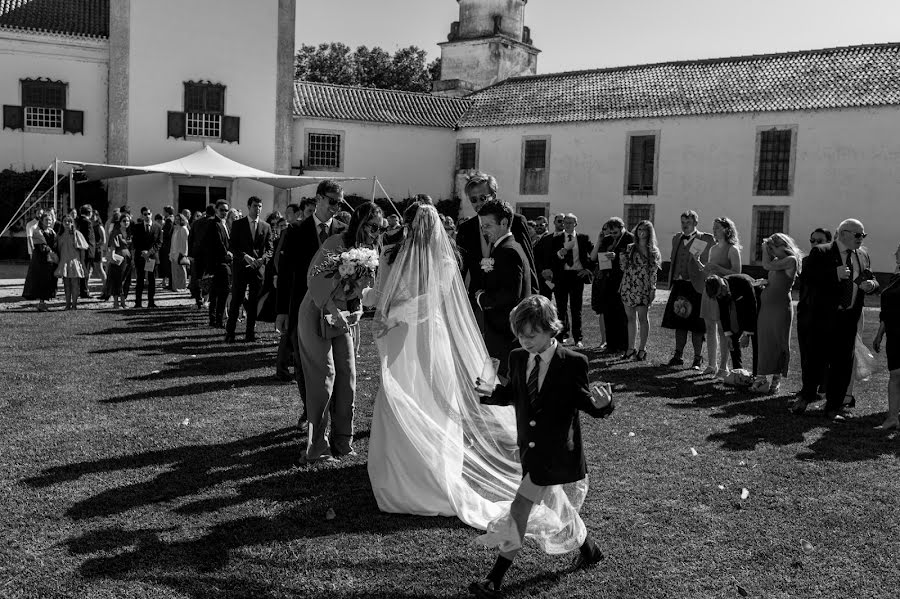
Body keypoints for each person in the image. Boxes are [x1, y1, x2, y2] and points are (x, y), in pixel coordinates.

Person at [470, 295, 614, 599]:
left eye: (532, 335)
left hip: (557, 454)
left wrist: (603, 405)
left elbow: (586, 403)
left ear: (552, 330)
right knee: (557, 505)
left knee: (519, 508)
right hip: (531, 452)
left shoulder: (574, 363)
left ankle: (494, 579)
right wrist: (491, 392)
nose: (525, 341)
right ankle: (591, 550)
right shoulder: (518, 357)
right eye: (520, 335)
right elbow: (513, 394)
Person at [297, 202, 382, 465]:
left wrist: (357, 311)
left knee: (347, 376)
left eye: (380, 229)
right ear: (360, 222)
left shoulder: (370, 251)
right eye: (372, 227)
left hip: (343, 317)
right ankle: (317, 447)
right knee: (324, 377)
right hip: (317, 312)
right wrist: (334, 309)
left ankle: (343, 441)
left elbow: (362, 289)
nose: (376, 233)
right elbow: (314, 277)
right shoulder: (336, 242)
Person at [791, 219, 879, 421]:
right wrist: (833, 274)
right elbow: (807, 279)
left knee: (842, 364)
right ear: (843, 233)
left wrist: (872, 285)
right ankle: (806, 395)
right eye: (858, 235)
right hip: (823, 317)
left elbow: (871, 277)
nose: (861, 239)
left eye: (863, 235)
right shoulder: (821, 252)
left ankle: (833, 407)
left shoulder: (862, 254)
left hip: (848, 318)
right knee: (815, 359)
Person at [276, 181, 348, 427]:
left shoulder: (343, 230)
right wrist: (282, 312)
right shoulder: (296, 231)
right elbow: (285, 275)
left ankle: (332, 413)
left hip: (335, 310)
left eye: (340, 202)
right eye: (332, 201)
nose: (336, 207)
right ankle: (310, 412)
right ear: (318, 199)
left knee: (335, 364)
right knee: (303, 364)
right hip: (301, 308)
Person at [472, 199, 533, 378]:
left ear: (504, 223)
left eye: (488, 225)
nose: (484, 230)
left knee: (495, 383)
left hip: (504, 332)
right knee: (490, 383)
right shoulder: (507, 247)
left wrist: (481, 298)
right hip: (500, 331)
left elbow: (510, 295)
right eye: (482, 226)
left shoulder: (508, 251)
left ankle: (492, 405)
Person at [456, 172, 538, 305]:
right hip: (478, 302)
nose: (478, 203)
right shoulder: (466, 228)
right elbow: (461, 270)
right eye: (473, 199)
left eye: (483, 198)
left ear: (493, 196)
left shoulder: (515, 221)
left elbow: (529, 266)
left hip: (510, 302)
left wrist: (535, 303)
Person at [662, 210, 715, 369]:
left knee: (697, 326)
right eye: (683, 223)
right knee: (679, 322)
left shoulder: (705, 239)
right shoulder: (676, 238)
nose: (685, 226)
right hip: (679, 285)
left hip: (696, 286)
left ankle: (698, 359)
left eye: (688, 223)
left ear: (695, 224)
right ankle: (678, 355)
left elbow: (707, 262)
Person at [753, 234, 802, 394]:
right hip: (767, 308)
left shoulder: (791, 260)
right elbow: (772, 274)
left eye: (772, 248)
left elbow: (766, 265)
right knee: (764, 341)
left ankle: (776, 381)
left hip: (781, 308)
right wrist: (765, 283)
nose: (770, 251)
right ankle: (761, 378)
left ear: (783, 246)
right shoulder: (776, 262)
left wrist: (764, 247)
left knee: (778, 341)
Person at [698, 217, 743, 376]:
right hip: (709, 291)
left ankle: (724, 367)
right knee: (709, 328)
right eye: (713, 227)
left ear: (726, 229)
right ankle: (712, 365)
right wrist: (699, 262)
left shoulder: (732, 249)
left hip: (723, 292)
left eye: (717, 227)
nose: (714, 230)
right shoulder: (713, 248)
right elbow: (709, 271)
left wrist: (716, 267)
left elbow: (737, 273)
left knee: (723, 329)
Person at [225, 196, 273, 343]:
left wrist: (262, 259)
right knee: (236, 301)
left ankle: (250, 333)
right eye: (254, 206)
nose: (257, 209)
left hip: (257, 269)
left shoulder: (266, 226)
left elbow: (270, 249)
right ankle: (230, 333)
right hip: (241, 267)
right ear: (248, 206)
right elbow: (232, 246)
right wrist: (245, 256)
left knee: (253, 303)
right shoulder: (238, 224)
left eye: (259, 206)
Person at [550, 213, 596, 348]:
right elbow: (551, 257)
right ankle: (561, 336)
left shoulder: (582, 238)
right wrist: (559, 254)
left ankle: (578, 338)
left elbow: (594, 255)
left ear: (575, 224)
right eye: (565, 222)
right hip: (561, 276)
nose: (568, 225)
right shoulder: (557, 238)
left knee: (576, 309)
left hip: (577, 276)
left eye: (571, 222)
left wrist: (588, 269)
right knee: (561, 309)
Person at [618, 220, 661, 360]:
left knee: (643, 318)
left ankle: (642, 349)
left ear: (649, 232)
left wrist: (653, 289)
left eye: (644, 230)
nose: (641, 232)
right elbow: (623, 267)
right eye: (639, 229)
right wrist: (621, 258)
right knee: (630, 318)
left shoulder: (653, 250)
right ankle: (631, 348)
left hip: (644, 286)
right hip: (628, 285)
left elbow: (654, 272)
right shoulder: (630, 248)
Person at [705, 274, 758, 374]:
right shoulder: (719, 291)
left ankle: (756, 375)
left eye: (720, 294)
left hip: (757, 306)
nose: (720, 297)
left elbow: (752, 308)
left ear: (723, 286)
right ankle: (737, 373)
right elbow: (723, 313)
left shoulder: (743, 282)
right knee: (733, 338)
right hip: (738, 308)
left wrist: (747, 334)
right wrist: (728, 334)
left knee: (756, 340)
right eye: (718, 296)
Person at [872, 241, 900, 430]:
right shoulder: (894, 279)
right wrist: (879, 334)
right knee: (895, 375)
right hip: (894, 333)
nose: (895, 253)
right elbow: (887, 311)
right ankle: (892, 418)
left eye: (899, 251)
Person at [594, 217, 633, 352]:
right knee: (608, 313)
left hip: (623, 280)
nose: (613, 235)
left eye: (616, 232)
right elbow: (600, 257)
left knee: (622, 314)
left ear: (622, 228)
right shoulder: (607, 239)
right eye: (611, 233)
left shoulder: (630, 239)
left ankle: (623, 345)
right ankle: (611, 345)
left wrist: (616, 256)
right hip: (608, 279)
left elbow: (632, 259)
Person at [22, 212, 58, 312]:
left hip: (50, 260)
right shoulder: (37, 230)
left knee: (48, 280)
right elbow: (37, 245)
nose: (49, 222)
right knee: (41, 280)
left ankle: (43, 302)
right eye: (46, 220)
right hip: (41, 260)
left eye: (50, 220)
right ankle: (41, 303)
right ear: (42, 220)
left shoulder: (52, 231)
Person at [205, 201, 233, 327]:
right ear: (216, 210)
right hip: (219, 263)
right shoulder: (214, 224)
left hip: (223, 262)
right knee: (222, 292)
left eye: (226, 210)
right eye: (221, 210)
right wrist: (227, 254)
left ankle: (215, 319)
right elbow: (218, 243)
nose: (224, 212)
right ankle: (217, 319)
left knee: (217, 293)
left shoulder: (225, 224)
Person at [129, 206, 163, 309]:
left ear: (151, 214)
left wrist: (150, 252)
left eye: (149, 214)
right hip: (141, 256)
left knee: (151, 279)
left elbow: (159, 242)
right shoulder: (137, 227)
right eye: (145, 214)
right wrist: (143, 252)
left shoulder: (157, 226)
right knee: (140, 279)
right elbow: (135, 242)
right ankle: (138, 302)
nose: (147, 216)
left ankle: (151, 302)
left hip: (151, 257)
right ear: (142, 215)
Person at [55, 214, 89, 310]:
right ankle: (67, 304)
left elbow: (82, 250)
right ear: (62, 222)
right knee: (66, 285)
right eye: (65, 221)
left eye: (69, 221)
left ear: (72, 223)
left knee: (75, 285)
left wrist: (82, 264)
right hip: (64, 262)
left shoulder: (77, 234)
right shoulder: (59, 235)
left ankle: (74, 304)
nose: (67, 223)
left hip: (74, 261)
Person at [588, 223, 611, 349]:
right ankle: (603, 340)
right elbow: (592, 257)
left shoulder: (616, 242)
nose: (605, 231)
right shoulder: (601, 243)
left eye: (607, 229)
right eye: (603, 229)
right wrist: (599, 241)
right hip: (600, 277)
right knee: (601, 310)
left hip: (611, 278)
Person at [534, 213, 563, 300]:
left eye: (541, 225)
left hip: (552, 276)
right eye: (537, 225)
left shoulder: (549, 238)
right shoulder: (537, 239)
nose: (538, 227)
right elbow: (538, 257)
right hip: (542, 275)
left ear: (546, 225)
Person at [107, 214, 134, 309]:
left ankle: (123, 301)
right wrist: (112, 256)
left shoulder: (130, 233)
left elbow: (132, 247)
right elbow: (112, 246)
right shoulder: (116, 232)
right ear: (120, 222)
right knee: (117, 280)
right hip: (119, 258)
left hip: (128, 258)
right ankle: (116, 302)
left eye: (127, 221)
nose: (126, 223)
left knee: (126, 280)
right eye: (124, 221)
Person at [75, 205, 96, 299]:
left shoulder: (78, 220)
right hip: (87, 250)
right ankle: (84, 291)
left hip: (80, 249)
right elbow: (88, 237)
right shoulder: (87, 222)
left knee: (83, 270)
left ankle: (82, 290)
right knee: (86, 271)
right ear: (89, 212)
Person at [168, 213, 190, 291]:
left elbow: (185, 243)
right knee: (174, 271)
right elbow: (172, 242)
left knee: (181, 271)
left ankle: (182, 286)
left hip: (180, 253)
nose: (177, 221)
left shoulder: (184, 229)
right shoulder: (175, 228)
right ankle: (175, 287)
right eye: (176, 219)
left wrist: (183, 254)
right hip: (173, 252)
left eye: (179, 219)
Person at [160, 206, 175, 290]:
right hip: (169, 244)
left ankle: (170, 284)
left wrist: (161, 231)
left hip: (167, 245)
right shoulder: (171, 219)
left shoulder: (169, 220)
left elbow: (167, 233)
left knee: (167, 264)